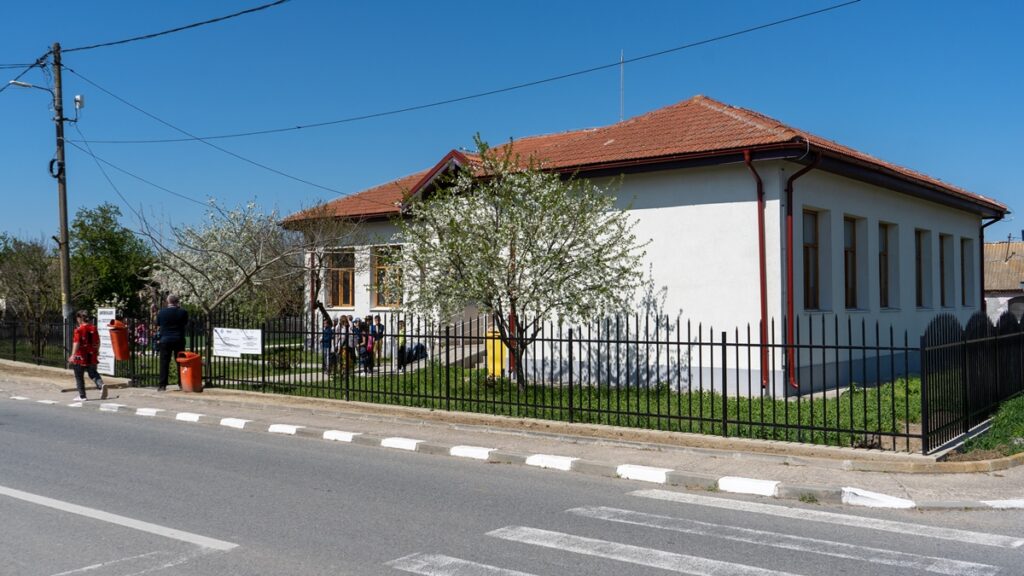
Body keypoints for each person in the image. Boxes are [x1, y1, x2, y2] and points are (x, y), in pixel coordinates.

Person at [68, 310, 106, 401]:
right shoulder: (93, 328)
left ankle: (82, 396)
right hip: (91, 355)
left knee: (79, 376)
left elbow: (76, 342)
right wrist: (97, 351)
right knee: (93, 372)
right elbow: (98, 341)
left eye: (77, 318)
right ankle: (101, 385)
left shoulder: (79, 330)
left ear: (79, 318)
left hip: (80, 356)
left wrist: (73, 355)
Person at [156, 294, 189, 391]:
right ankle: (181, 383)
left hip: (165, 339)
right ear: (177, 302)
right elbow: (185, 323)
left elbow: (158, 323)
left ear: (168, 301)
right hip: (178, 339)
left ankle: (162, 385)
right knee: (180, 362)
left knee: (164, 362)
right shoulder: (183, 312)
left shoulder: (161, 312)